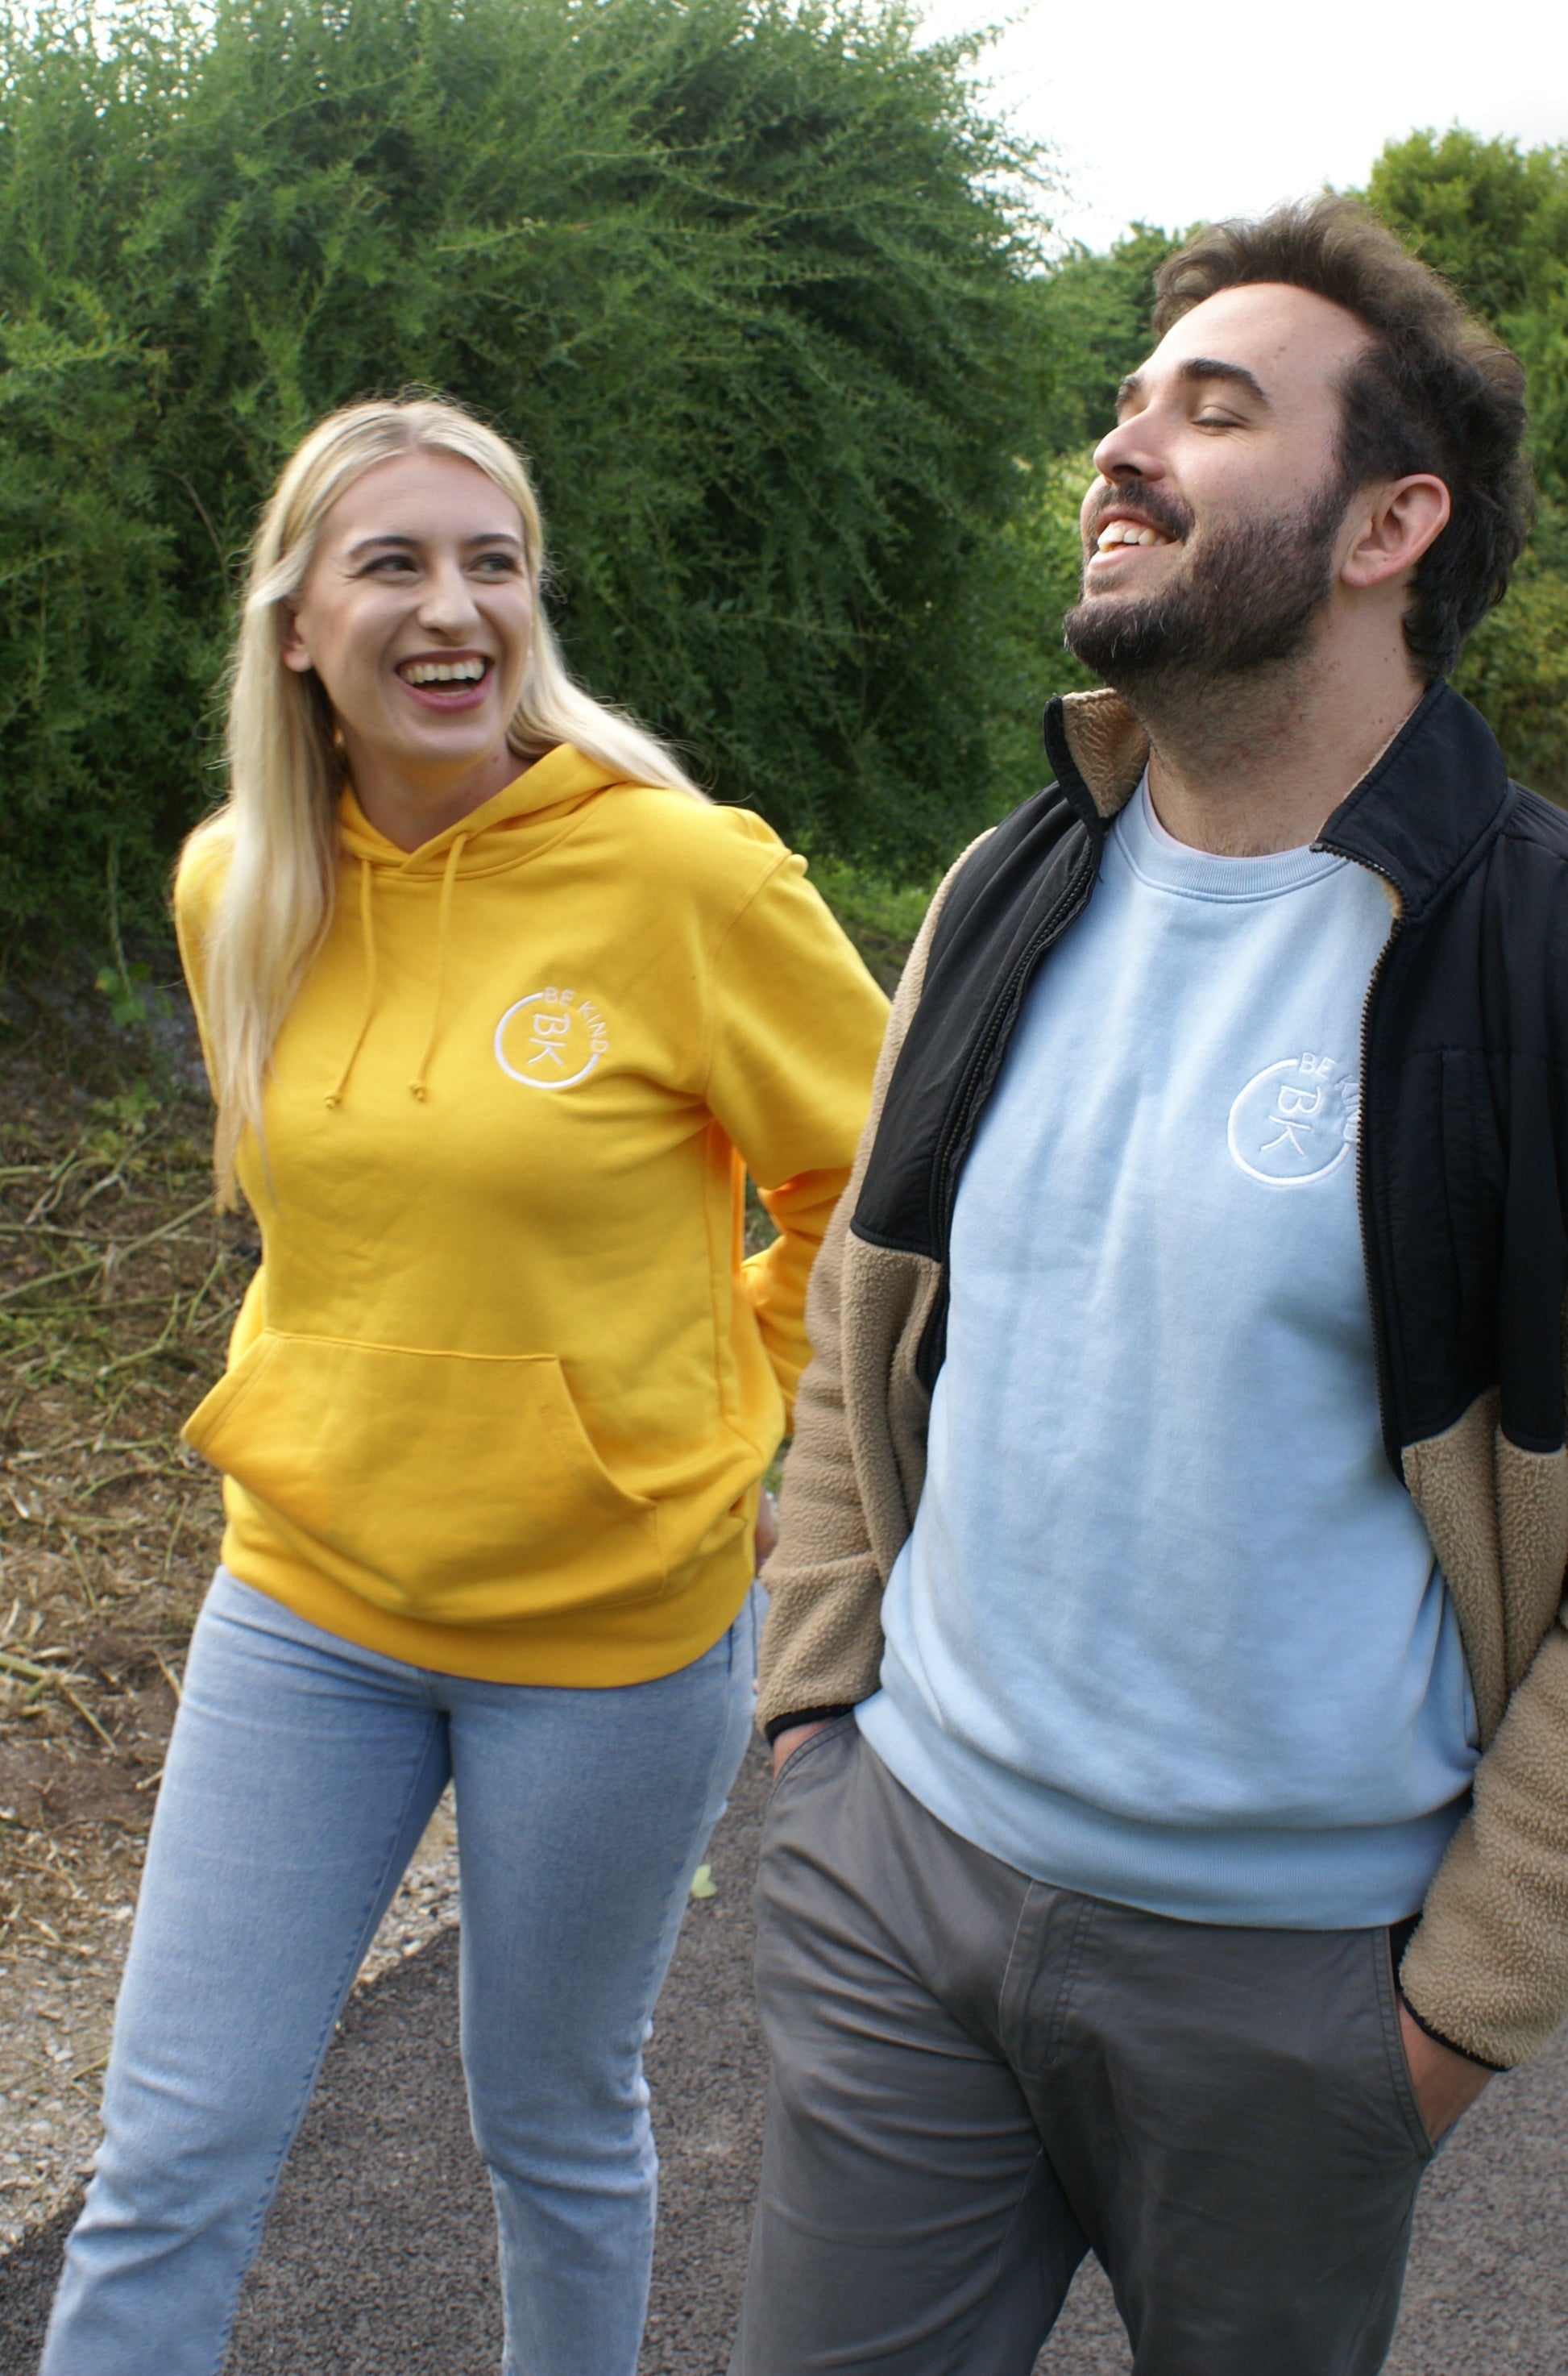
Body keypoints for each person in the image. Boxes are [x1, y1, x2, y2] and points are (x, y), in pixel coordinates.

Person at [735, 197, 1568, 2376]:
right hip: (899, 1883)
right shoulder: (1013, 882)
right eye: (1125, 403)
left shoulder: (1530, 958)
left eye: (1211, 409)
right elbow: (862, 1321)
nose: (1124, 449)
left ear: (1393, 521)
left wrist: (1452, 2011)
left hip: (1294, 1994)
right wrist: (819, 1721)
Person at [42, 395, 887, 2376]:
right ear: (296, 628)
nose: (454, 608)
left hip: (608, 1634)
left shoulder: (685, 881)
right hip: (305, 1600)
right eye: (395, 563)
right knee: (171, 2150)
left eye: (491, 561)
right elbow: (324, 1222)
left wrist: (745, 1410)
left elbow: (876, 1185)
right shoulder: (235, 888)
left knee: (553, 2126)